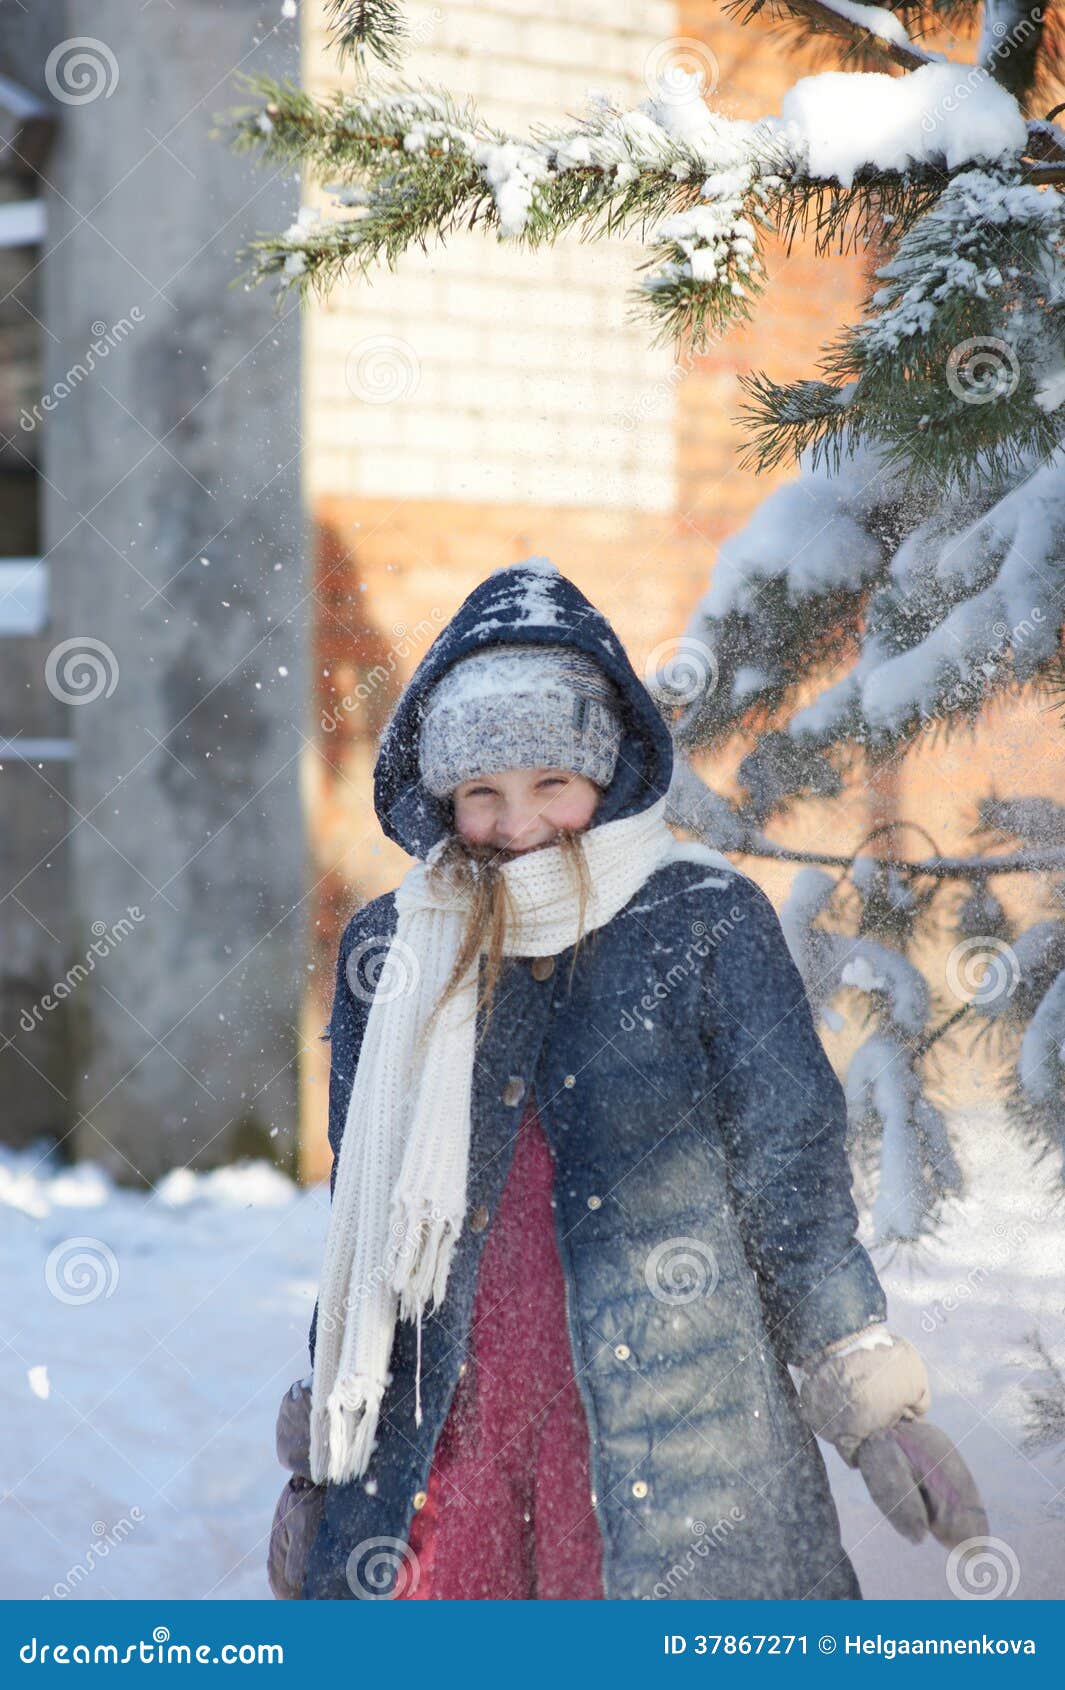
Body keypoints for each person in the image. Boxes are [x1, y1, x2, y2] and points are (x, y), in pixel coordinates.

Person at [268, 557, 985, 1602]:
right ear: (441, 797)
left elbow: (791, 1179)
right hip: (452, 1438)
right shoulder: (399, 945)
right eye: (483, 794)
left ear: (608, 773)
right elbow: (366, 1229)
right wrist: (324, 1469)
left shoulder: (702, 920)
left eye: (551, 783)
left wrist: (873, 1404)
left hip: (676, 1441)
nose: (518, 825)